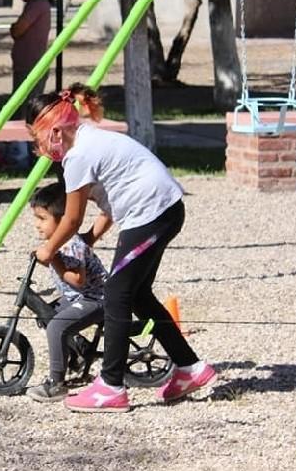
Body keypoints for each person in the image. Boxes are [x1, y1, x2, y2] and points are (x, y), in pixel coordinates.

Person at [27, 84, 215, 413]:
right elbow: (107, 207)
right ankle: (189, 368)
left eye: (36, 138)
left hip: (152, 213)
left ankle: (111, 386)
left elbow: (70, 220)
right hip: (160, 210)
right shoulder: (88, 138)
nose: (36, 147)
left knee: (115, 293)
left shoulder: (78, 156)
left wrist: (48, 250)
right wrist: (89, 241)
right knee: (137, 294)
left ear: (55, 131)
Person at [25, 182, 109, 403]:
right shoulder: (59, 242)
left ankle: (56, 383)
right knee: (47, 314)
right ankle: (80, 349)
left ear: (63, 221)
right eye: (36, 218)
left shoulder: (69, 244)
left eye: (42, 219)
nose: (37, 225)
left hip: (96, 299)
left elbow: (78, 280)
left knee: (56, 326)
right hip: (78, 297)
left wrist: (53, 259)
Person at [10, 0, 54, 109]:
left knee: (24, 109)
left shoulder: (37, 4)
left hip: (31, 67)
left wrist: (13, 28)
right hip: (26, 66)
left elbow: (17, 30)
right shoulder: (34, 4)